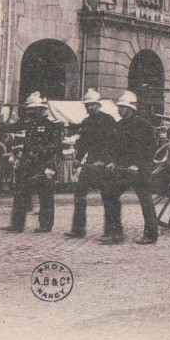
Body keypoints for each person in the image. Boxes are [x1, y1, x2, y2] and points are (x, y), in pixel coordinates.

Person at [100, 91, 159, 244]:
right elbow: (112, 147)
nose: (119, 110)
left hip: (139, 170)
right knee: (109, 193)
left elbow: (150, 148)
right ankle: (115, 232)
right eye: (119, 107)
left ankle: (151, 235)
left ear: (130, 109)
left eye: (122, 107)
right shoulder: (119, 126)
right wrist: (111, 161)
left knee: (146, 200)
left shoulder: (143, 126)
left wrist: (138, 165)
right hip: (123, 170)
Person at [3, 92, 64, 233]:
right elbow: (11, 128)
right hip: (28, 163)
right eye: (29, 109)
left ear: (40, 109)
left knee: (45, 195)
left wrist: (47, 163)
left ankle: (46, 225)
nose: (30, 111)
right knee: (21, 193)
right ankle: (17, 224)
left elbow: (54, 146)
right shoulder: (28, 124)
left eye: (33, 109)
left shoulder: (52, 125)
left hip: (44, 164)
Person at [66, 89, 116, 239]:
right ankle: (78, 229)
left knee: (107, 198)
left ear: (98, 105)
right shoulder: (86, 122)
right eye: (87, 105)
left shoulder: (108, 120)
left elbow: (114, 143)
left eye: (92, 105)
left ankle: (110, 232)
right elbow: (83, 144)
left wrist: (107, 160)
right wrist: (78, 158)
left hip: (104, 164)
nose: (89, 108)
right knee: (79, 195)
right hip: (89, 163)